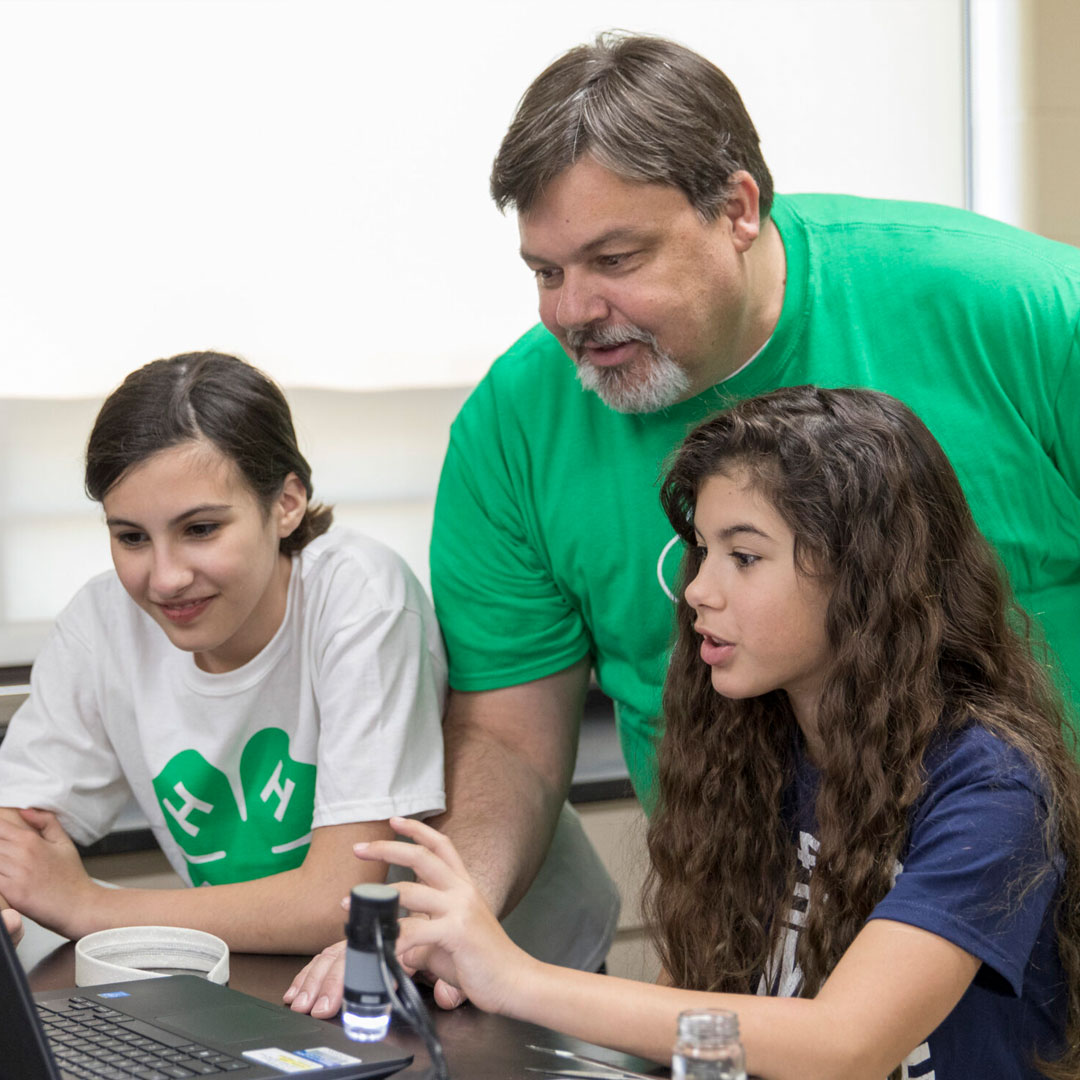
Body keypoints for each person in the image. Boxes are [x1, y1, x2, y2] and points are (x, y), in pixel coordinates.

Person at [421, 30, 1080, 994]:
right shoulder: (514, 428)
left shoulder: (1019, 314)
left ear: (735, 208)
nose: (572, 311)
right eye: (546, 271)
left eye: (614, 256)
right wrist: (456, 919)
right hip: (753, 950)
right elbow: (512, 737)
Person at [294, 386, 1080, 1080]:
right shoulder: (751, 748)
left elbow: (845, 1047)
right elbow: (692, 1010)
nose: (697, 589)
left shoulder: (991, 787)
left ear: (866, 573)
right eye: (702, 551)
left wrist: (514, 976)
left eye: (744, 556)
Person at [0, 351, 446, 953]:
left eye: (201, 529)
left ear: (286, 503)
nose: (164, 579)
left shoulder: (362, 601)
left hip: (480, 972)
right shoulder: (101, 623)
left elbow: (338, 906)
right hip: (279, 974)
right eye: (131, 536)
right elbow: (17, 833)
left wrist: (89, 906)